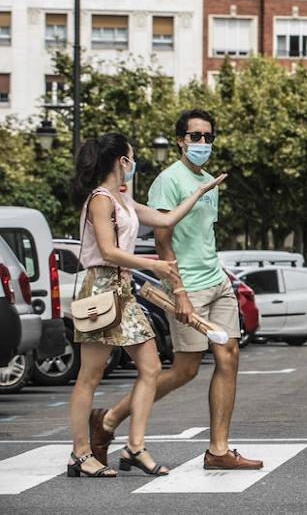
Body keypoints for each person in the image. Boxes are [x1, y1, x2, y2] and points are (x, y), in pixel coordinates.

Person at [95, 109, 262, 471]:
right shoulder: (169, 180)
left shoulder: (208, 182)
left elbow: (203, 236)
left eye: (208, 137)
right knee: (185, 370)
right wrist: (180, 292)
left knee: (229, 354)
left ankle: (218, 450)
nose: (202, 143)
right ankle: (109, 418)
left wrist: (223, 277)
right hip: (186, 285)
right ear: (181, 140)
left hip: (217, 281)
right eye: (195, 136)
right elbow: (163, 240)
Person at [67, 133, 224, 478]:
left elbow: (165, 220)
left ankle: (135, 446)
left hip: (123, 290)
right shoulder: (101, 200)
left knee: (151, 368)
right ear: (121, 162)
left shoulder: (123, 200)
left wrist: (198, 192)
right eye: (132, 157)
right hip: (100, 290)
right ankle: (80, 454)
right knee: (89, 377)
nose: (135, 163)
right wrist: (152, 265)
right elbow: (107, 251)